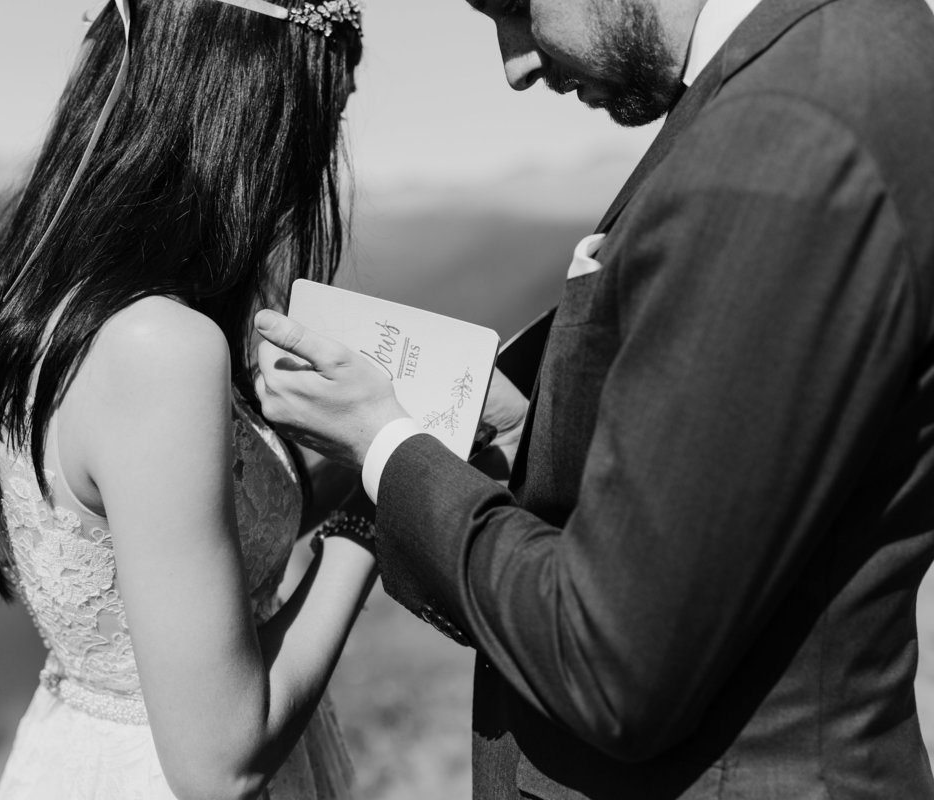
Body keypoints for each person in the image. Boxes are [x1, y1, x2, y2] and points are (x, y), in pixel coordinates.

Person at [253, 0, 934, 795]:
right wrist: (531, 431)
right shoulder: (812, 70)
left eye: (512, 8)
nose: (515, 65)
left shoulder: (788, 126)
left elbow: (613, 662)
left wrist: (385, 449)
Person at [0, 1, 374, 798]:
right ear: (255, 105)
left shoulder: (58, 300)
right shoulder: (162, 349)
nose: (324, 151)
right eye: (326, 111)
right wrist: (378, 520)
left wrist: (369, 452)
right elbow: (222, 763)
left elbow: (188, 536)